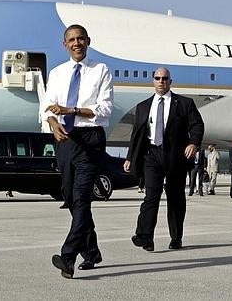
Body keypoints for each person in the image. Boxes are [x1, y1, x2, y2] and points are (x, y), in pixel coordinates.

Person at [40, 24, 113, 278]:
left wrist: (71, 111)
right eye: (71, 39)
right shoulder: (58, 73)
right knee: (71, 198)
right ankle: (92, 251)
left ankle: (68, 256)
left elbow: (104, 110)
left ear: (88, 41)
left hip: (90, 138)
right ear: (65, 44)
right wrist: (52, 122)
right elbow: (47, 106)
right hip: (65, 139)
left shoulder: (101, 71)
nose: (76, 43)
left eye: (81, 38)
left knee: (81, 197)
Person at [124, 67, 204, 252]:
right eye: (158, 78)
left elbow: (197, 124)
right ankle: (145, 236)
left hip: (176, 156)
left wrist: (193, 143)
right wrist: (130, 157)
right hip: (152, 155)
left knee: (175, 198)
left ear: (170, 81)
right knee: (151, 196)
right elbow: (136, 134)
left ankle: (176, 238)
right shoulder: (143, 106)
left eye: (165, 78)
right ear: (153, 80)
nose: (161, 81)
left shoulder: (184, 103)